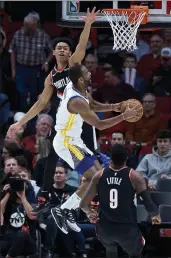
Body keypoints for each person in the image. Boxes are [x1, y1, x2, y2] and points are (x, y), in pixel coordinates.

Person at [7, 7, 101, 215]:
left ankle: (88, 201)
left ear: (69, 52)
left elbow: (82, 47)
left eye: (65, 48)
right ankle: (45, 195)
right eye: (58, 47)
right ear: (54, 52)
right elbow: (41, 104)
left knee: (94, 164)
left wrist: (87, 24)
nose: (62, 50)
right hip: (64, 121)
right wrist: (20, 123)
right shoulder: (52, 77)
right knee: (51, 154)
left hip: (83, 120)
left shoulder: (74, 65)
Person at [48, 63, 138, 234]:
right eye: (86, 72)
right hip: (66, 142)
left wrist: (114, 107)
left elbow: (94, 105)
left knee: (99, 178)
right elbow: (99, 124)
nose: (90, 72)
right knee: (92, 177)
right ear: (81, 79)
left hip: (76, 141)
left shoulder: (80, 90)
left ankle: (67, 209)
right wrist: (124, 116)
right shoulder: (76, 101)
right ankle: (65, 210)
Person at [80, 144, 161, 258]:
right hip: (126, 229)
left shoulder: (99, 175)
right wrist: (156, 217)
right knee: (135, 253)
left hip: (105, 229)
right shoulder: (134, 176)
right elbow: (148, 204)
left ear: (110, 159)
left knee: (110, 251)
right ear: (126, 159)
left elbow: (83, 204)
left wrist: (90, 213)